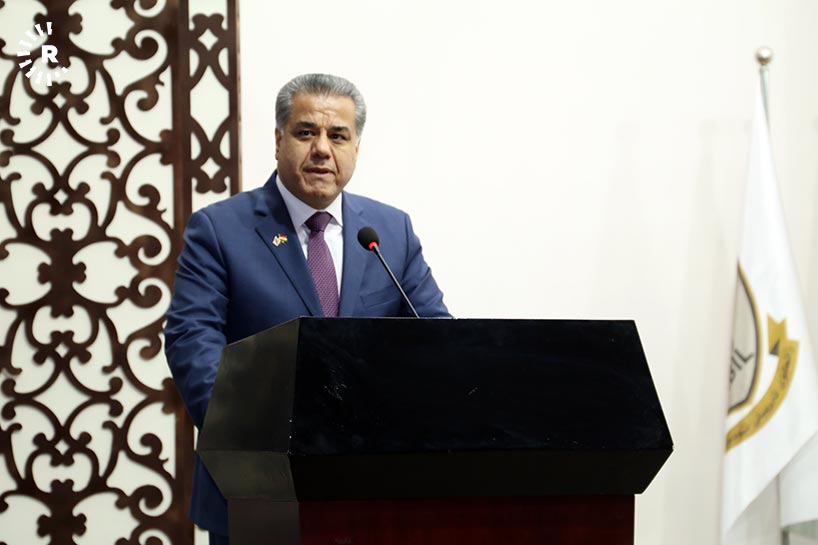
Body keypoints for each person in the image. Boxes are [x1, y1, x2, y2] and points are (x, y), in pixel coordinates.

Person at [164, 73, 449, 544]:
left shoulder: (389, 232)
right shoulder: (219, 230)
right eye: (305, 132)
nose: (322, 149)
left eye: (338, 136)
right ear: (279, 141)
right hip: (257, 488)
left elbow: (436, 337)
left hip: (373, 492)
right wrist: (248, 436)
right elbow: (192, 341)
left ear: (356, 148)